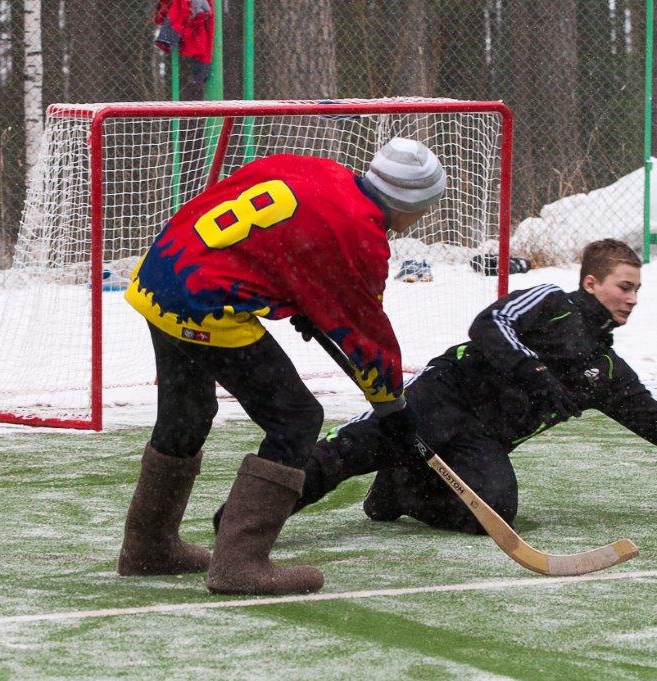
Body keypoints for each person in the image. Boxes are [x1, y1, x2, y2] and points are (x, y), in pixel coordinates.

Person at [235, 239, 657, 537]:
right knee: (339, 458)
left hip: (478, 441)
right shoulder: (551, 304)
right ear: (592, 282)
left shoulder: (605, 375)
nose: (632, 298)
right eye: (624, 286)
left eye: (638, 290)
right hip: (435, 401)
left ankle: (402, 490)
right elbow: (489, 325)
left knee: (497, 512)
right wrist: (532, 370)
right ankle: (238, 528)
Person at [117, 137, 445, 594]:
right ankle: (240, 563)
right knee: (295, 418)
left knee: (187, 411)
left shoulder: (319, 171)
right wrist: (392, 407)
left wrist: (299, 302)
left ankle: (148, 546)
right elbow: (364, 330)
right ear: (407, 203)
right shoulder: (360, 231)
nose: (416, 222)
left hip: (164, 273)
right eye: (421, 210)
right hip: (204, 300)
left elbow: (272, 235)